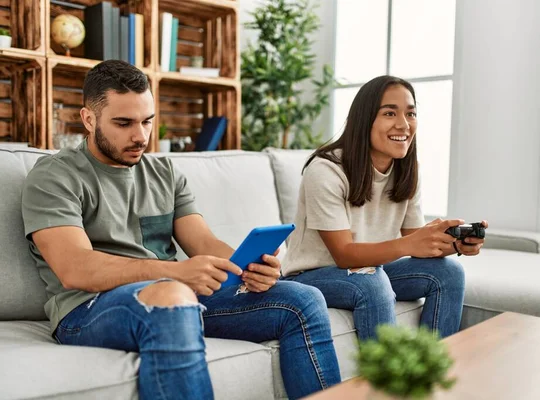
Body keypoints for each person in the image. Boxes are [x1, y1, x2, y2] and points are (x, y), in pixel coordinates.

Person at [21, 60, 341, 400]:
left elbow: (202, 241)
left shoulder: (164, 173)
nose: (140, 136)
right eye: (123, 123)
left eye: (147, 121)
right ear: (88, 119)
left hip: (174, 291)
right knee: (173, 295)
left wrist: (246, 266)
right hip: (87, 308)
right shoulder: (54, 176)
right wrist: (176, 274)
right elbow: (74, 268)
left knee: (303, 299)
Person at [282, 75, 488, 340]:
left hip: (370, 269)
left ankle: (430, 373)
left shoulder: (407, 170)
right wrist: (408, 245)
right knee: (371, 281)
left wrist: (456, 244)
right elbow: (343, 255)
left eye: (411, 113)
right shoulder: (326, 169)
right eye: (390, 113)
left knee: (448, 272)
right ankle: (385, 379)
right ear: (365, 118)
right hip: (312, 277)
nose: (404, 124)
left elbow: (416, 240)